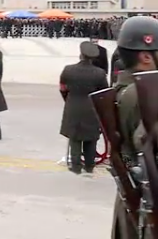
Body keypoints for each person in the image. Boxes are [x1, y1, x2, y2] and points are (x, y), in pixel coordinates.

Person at [110, 16, 158, 238]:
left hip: (137, 197)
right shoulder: (141, 95)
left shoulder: (129, 87)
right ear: (146, 56)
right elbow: (146, 151)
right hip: (146, 205)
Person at [58, 41, 108, 174]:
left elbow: (62, 88)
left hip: (73, 104)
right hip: (92, 108)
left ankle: (75, 166)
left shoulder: (68, 70)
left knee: (75, 137)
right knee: (91, 138)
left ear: (80, 55)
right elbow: (104, 93)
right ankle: (90, 166)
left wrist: (68, 99)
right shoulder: (100, 73)